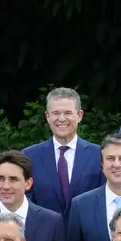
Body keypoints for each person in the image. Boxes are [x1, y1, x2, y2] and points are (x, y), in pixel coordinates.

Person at [24, 87, 103, 216]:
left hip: (86, 228)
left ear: (79, 115)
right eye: (55, 113)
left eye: (68, 113)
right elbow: (26, 203)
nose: (61, 118)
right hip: (45, 228)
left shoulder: (99, 155)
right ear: (47, 116)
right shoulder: (30, 156)